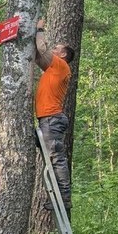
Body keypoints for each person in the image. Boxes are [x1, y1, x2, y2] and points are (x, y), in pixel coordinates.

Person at [35, 19, 76, 217]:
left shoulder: (60, 66)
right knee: (53, 157)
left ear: (63, 55)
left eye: (57, 48)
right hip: (48, 118)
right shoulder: (53, 69)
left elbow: (41, 48)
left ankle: (64, 198)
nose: (54, 48)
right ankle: (61, 196)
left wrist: (39, 29)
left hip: (51, 119)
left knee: (56, 158)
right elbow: (37, 55)